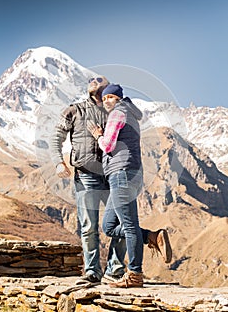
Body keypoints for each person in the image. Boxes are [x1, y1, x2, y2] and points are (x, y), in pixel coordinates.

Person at [87, 84, 172, 288]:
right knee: (109, 226)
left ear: (118, 98)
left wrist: (98, 135)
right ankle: (152, 236)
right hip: (129, 174)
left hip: (121, 174)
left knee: (130, 225)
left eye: (110, 97)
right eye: (104, 97)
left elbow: (108, 145)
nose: (106, 100)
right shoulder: (130, 113)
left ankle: (135, 274)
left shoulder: (118, 113)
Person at [51, 76, 126, 285]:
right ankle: (92, 271)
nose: (93, 80)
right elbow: (56, 136)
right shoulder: (74, 110)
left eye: (99, 80)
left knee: (120, 222)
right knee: (89, 226)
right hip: (85, 175)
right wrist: (59, 162)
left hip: (114, 175)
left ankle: (116, 270)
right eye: (91, 80)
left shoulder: (118, 112)